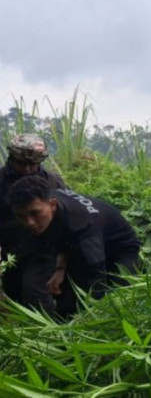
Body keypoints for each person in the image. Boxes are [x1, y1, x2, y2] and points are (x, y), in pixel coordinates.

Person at [6, 175, 141, 318]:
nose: (30, 222)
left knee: (119, 299)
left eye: (35, 214)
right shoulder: (45, 203)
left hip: (119, 251)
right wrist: (60, 268)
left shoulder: (81, 224)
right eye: (21, 216)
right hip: (77, 244)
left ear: (53, 205)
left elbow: (94, 278)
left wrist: (89, 316)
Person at [0, 134, 66, 312]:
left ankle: (49, 333)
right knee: (13, 296)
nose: (28, 169)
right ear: (12, 158)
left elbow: (66, 215)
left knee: (35, 293)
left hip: (42, 249)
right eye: (22, 164)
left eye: (33, 164)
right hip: (9, 250)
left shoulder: (52, 182)